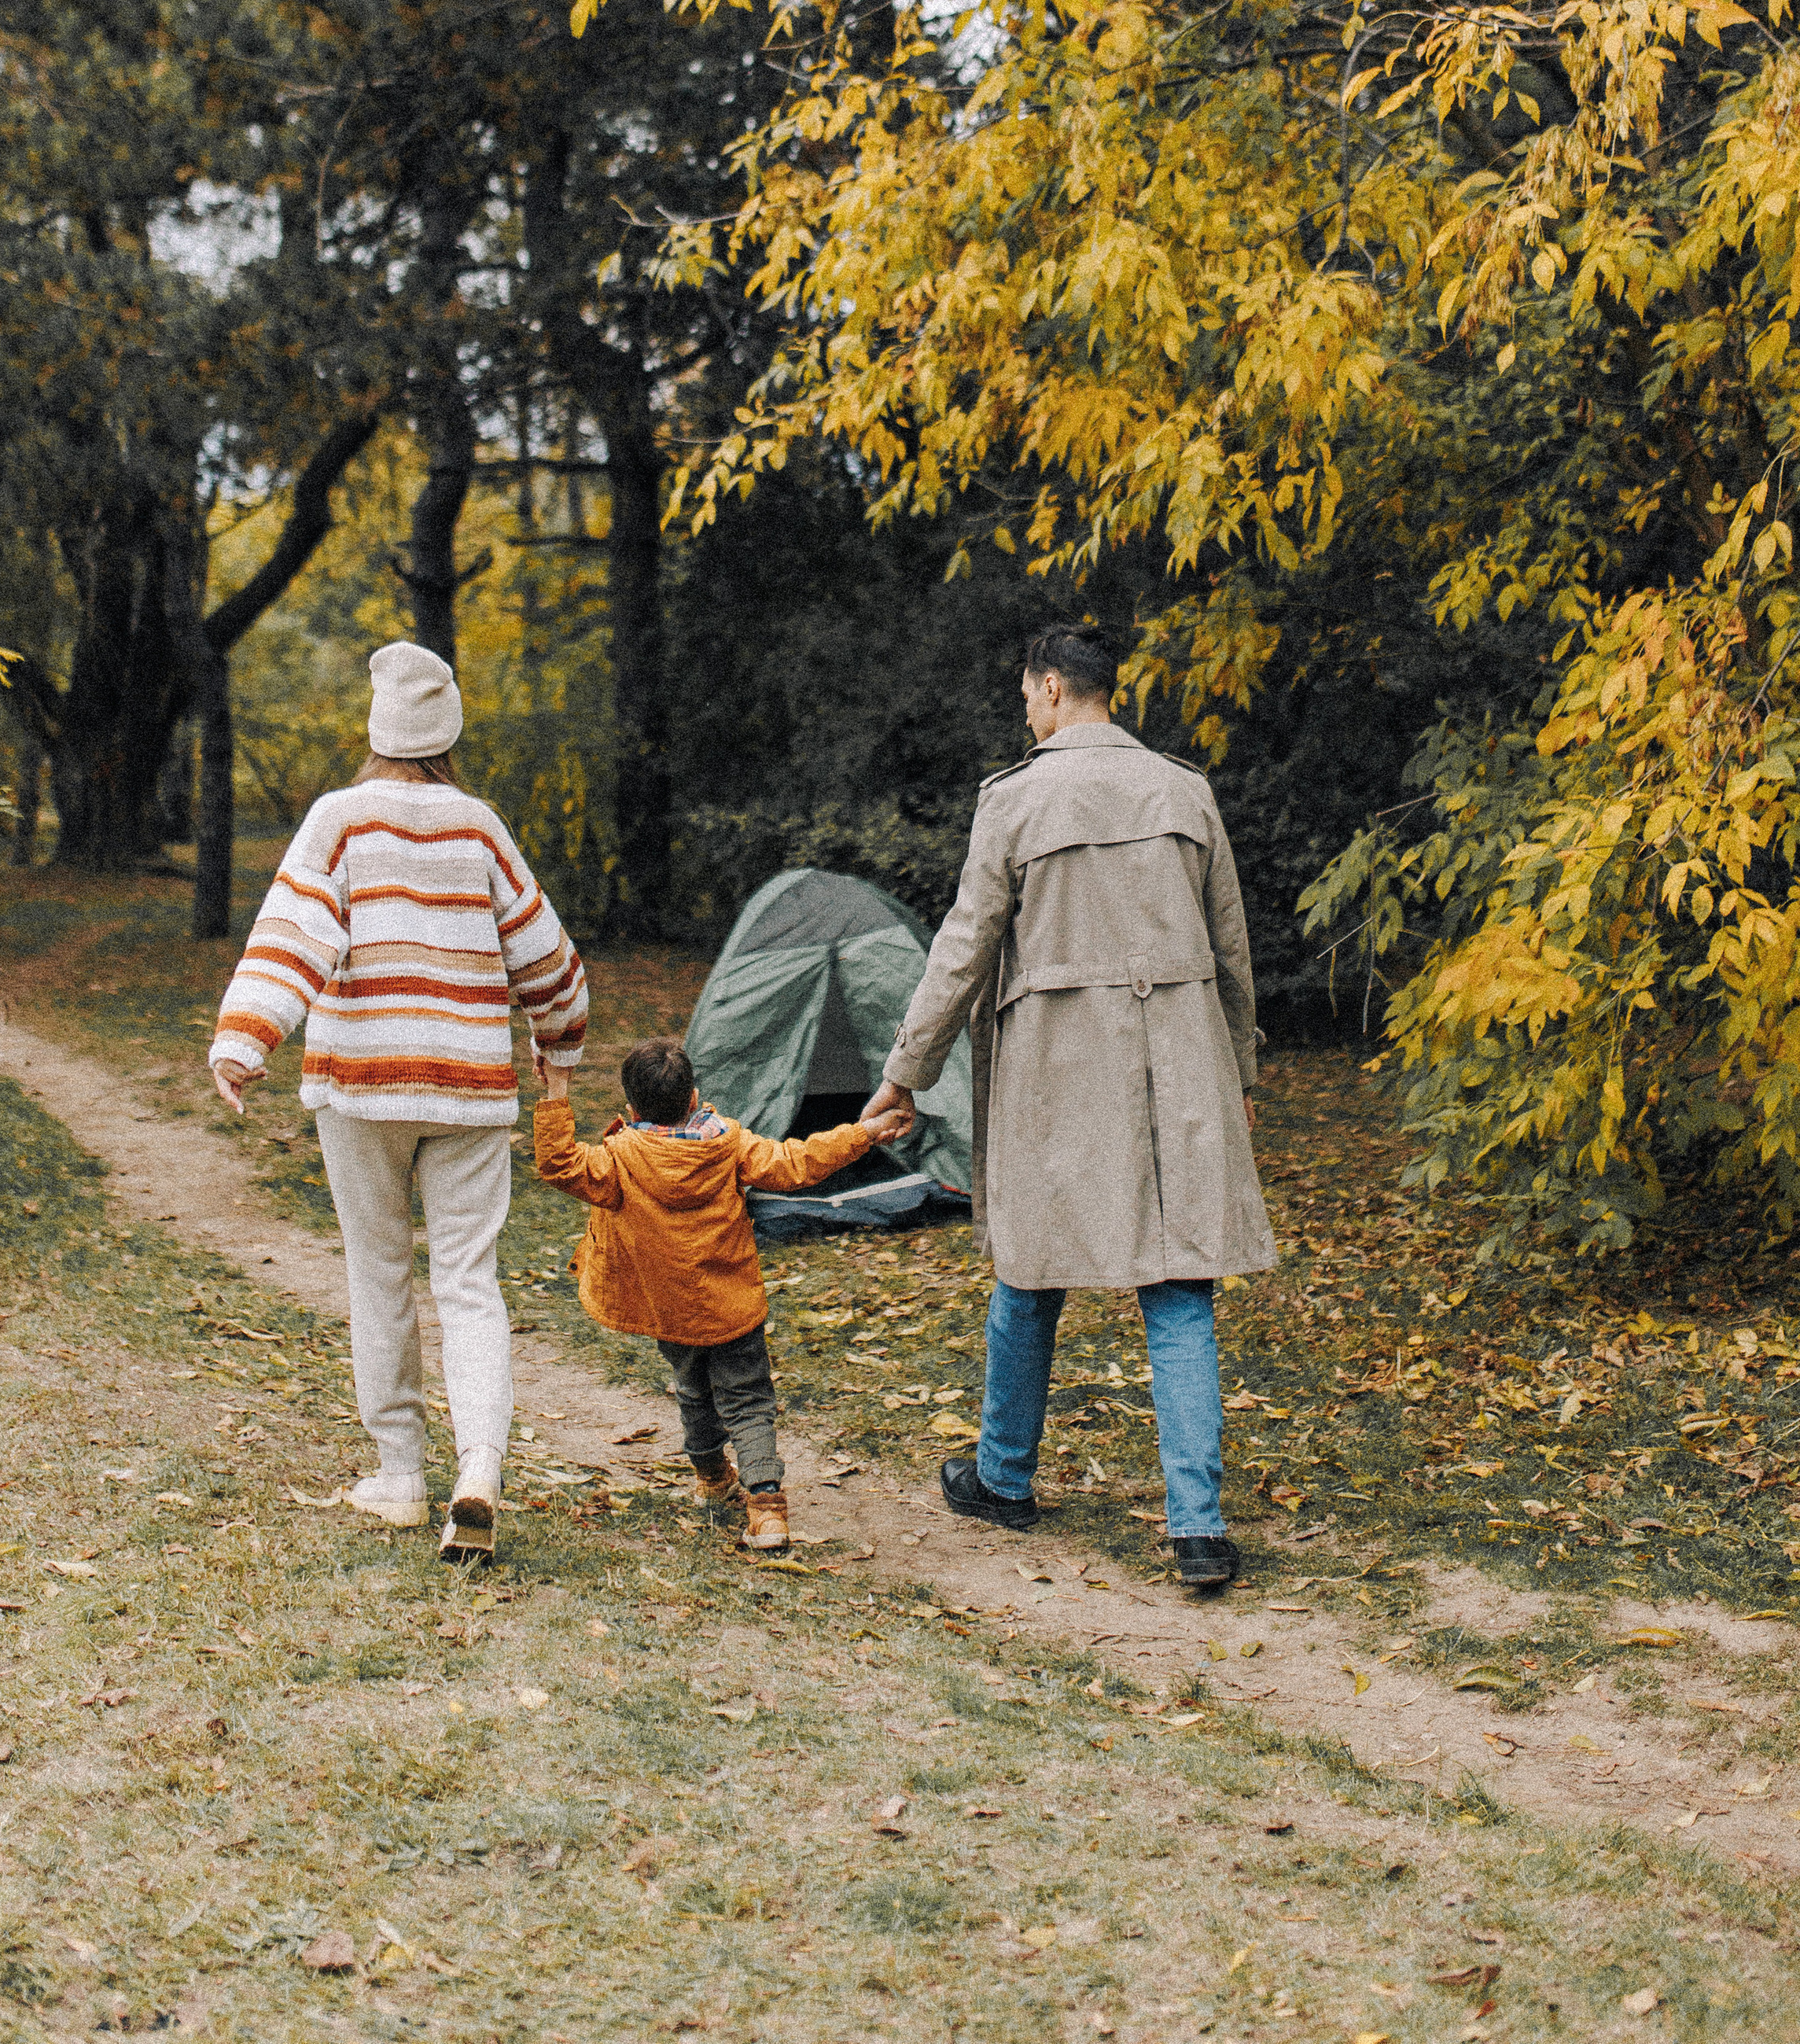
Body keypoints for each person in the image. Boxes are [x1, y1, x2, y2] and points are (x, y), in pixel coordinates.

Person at [860, 625, 1275, 1588]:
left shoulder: (1015, 798)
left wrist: (903, 1073)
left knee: (1030, 1267)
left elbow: (963, 947)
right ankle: (1197, 1526)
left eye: (1027, 695)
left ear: (1050, 688)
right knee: (1178, 1284)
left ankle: (1003, 1478)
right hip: (1180, 1063)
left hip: (1055, 1067)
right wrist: (1241, 1073)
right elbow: (1231, 948)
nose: (1027, 711)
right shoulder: (1184, 789)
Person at [208, 639, 587, 1563]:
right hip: (467, 1088)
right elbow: (545, 954)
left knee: (378, 1276)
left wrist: (246, 1036)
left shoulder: (340, 820)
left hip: (363, 1085)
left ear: (376, 728)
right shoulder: (479, 827)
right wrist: (559, 1041)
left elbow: (295, 930)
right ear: (447, 729)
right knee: (469, 1284)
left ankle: (399, 1477)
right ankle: (481, 1469)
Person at [533, 1037, 913, 1551]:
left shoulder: (619, 1158)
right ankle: (767, 1509)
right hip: (731, 1305)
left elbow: (558, 1163)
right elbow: (798, 1162)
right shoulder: (728, 1143)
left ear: (630, 1109)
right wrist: (863, 1132)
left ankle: (712, 1475)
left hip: (668, 1307)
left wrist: (555, 1090)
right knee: (749, 1399)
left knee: (693, 1389)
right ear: (694, 1099)